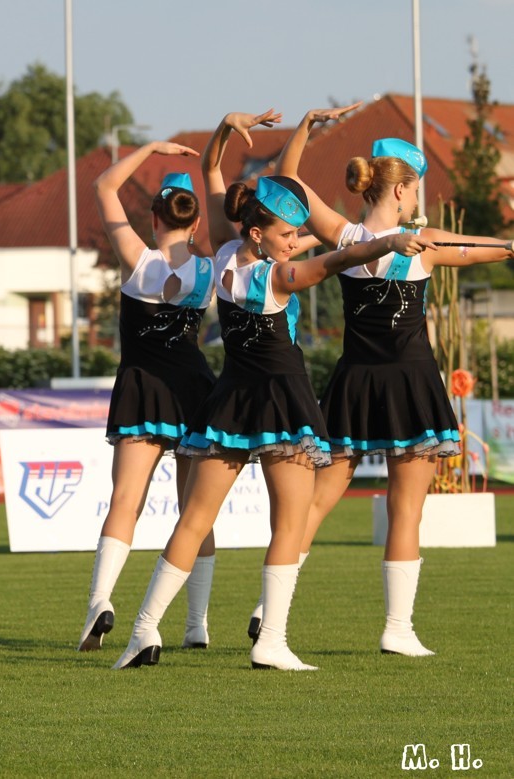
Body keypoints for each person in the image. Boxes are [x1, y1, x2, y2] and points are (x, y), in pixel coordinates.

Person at [112, 110, 436, 672]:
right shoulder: (278, 276)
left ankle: (143, 630)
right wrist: (391, 242)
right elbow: (340, 258)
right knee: (288, 522)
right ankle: (272, 641)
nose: (295, 244)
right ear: (260, 234)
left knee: (194, 520)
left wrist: (224, 129)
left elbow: (212, 171)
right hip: (284, 404)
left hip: (231, 403)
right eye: (288, 236)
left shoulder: (220, 254)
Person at [275, 115, 514, 656]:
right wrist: (509, 244)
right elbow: (485, 248)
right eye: (416, 190)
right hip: (411, 384)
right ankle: (397, 629)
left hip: (354, 381)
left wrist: (305, 128)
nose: (416, 200)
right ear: (402, 190)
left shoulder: (343, 236)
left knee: (314, 504)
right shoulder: (424, 244)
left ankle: (270, 613)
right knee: (407, 511)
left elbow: (287, 184)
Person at [78, 141, 219, 655]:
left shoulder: (138, 261)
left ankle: (99, 602)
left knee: (126, 500)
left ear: (154, 218)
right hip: (194, 389)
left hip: (142, 387)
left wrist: (150, 149)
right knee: (195, 512)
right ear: (195, 223)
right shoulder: (209, 270)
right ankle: (196, 624)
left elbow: (103, 186)